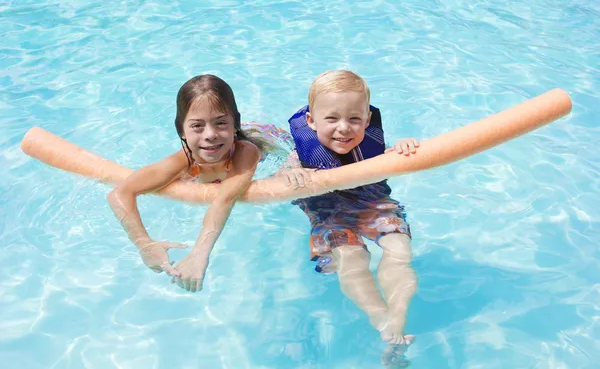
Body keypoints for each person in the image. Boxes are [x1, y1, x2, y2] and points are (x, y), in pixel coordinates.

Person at [278, 70, 419, 361]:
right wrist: (293, 174)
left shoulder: (374, 146)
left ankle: (398, 315)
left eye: (354, 119)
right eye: (332, 119)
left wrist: (403, 146)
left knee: (399, 250)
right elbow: (282, 177)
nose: (344, 128)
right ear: (311, 121)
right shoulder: (298, 157)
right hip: (329, 214)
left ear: (367, 120)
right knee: (352, 259)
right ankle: (380, 318)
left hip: (373, 203)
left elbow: (394, 155)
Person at [107, 74, 289, 292]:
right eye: (197, 126)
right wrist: (144, 244)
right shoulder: (182, 162)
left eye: (221, 123)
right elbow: (120, 194)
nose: (210, 134)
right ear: (181, 130)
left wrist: (199, 253)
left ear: (234, 124)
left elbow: (225, 199)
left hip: (265, 137)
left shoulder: (245, 152)